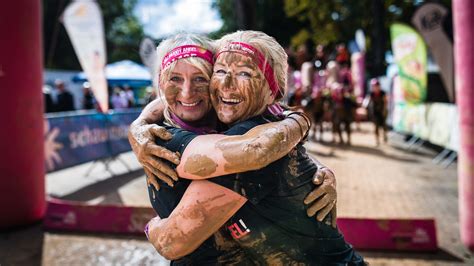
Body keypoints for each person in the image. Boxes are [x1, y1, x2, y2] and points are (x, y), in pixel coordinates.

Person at [135, 31, 364, 264]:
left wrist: (152, 227)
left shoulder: (243, 138)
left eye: (201, 78)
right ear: (161, 82)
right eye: (221, 72)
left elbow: (170, 242)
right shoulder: (162, 132)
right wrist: (138, 125)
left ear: (272, 91)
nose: (187, 92)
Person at [367, 78, 388, 145]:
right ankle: (377, 140)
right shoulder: (371, 94)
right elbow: (367, 102)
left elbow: (385, 102)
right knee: (376, 127)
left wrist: (384, 111)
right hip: (374, 112)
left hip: (382, 112)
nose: (375, 88)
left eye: (377, 86)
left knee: (384, 126)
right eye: (374, 86)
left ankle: (384, 135)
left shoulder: (382, 93)